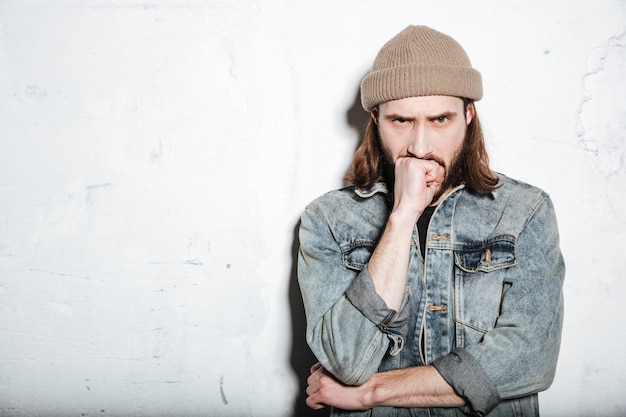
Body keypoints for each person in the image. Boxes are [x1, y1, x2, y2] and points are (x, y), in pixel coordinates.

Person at [297, 25, 565, 417]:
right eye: (401, 121)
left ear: (468, 115)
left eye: (440, 119)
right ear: (375, 119)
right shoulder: (328, 220)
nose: (420, 147)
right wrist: (402, 217)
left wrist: (373, 392)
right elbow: (345, 361)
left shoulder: (525, 211)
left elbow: (529, 359)